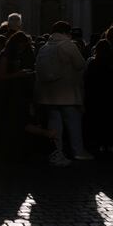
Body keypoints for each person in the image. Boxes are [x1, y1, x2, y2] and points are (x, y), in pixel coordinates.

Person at [35, 21, 92, 165]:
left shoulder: (45, 47)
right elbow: (80, 64)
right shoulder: (68, 45)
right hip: (67, 93)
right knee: (73, 123)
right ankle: (77, 151)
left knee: (55, 125)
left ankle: (57, 152)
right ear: (67, 32)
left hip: (48, 94)